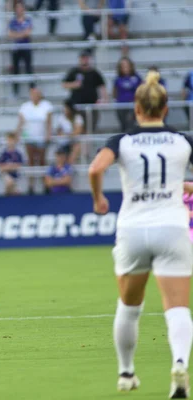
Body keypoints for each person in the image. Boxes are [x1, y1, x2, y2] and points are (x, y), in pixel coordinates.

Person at [88, 71, 193, 397]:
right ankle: (178, 364)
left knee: (130, 306)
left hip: (133, 229)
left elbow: (95, 169)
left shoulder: (123, 141)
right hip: (173, 227)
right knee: (177, 307)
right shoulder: (182, 140)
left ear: (137, 108)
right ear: (165, 109)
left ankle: (126, 373)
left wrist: (98, 198)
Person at [16, 86, 53, 194]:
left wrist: (48, 134)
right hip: (29, 137)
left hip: (41, 137)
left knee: (42, 161)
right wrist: (17, 134)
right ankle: (31, 185)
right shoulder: (25, 107)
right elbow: (21, 122)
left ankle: (45, 185)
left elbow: (49, 122)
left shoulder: (46, 106)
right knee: (31, 161)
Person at [62, 50, 108, 133]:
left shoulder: (94, 73)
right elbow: (64, 84)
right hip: (77, 107)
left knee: (90, 129)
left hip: (92, 106)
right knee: (79, 129)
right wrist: (74, 84)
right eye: (83, 58)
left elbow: (102, 86)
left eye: (86, 58)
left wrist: (104, 99)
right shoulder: (74, 72)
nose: (84, 60)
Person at [8, 2, 33, 97]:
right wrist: (22, 34)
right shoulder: (13, 21)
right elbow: (10, 34)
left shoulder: (28, 20)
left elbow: (28, 33)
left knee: (29, 69)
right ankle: (15, 91)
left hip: (26, 47)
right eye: (17, 8)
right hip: (16, 48)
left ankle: (32, 90)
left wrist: (17, 34)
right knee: (15, 70)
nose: (19, 9)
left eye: (21, 7)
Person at [114, 57, 142, 132]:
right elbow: (115, 92)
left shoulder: (137, 77)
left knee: (130, 124)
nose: (125, 67)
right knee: (123, 125)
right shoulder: (118, 79)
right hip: (121, 105)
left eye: (127, 65)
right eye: (123, 65)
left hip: (132, 105)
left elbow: (141, 90)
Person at [55, 100, 83, 165]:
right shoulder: (61, 118)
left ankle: (69, 166)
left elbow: (78, 131)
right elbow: (58, 132)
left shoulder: (77, 117)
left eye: (66, 108)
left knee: (77, 146)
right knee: (61, 152)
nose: (65, 110)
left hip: (73, 143)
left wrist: (66, 134)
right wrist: (69, 134)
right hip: (63, 143)